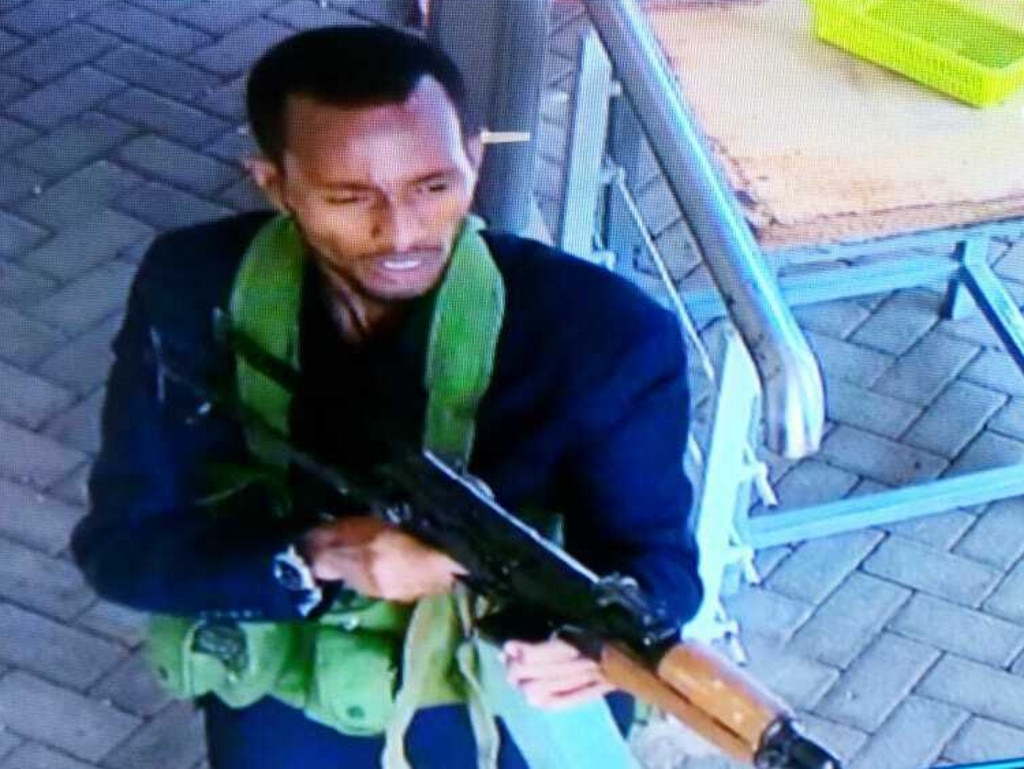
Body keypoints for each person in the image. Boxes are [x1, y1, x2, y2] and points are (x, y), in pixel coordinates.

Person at [72, 25, 702, 769]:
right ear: (274, 183)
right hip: (296, 668)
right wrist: (319, 557)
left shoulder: (605, 335)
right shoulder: (198, 285)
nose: (400, 232)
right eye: (349, 196)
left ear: (475, 157)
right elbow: (119, 548)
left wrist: (597, 647)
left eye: (433, 186)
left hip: (499, 698)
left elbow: (660, 569)